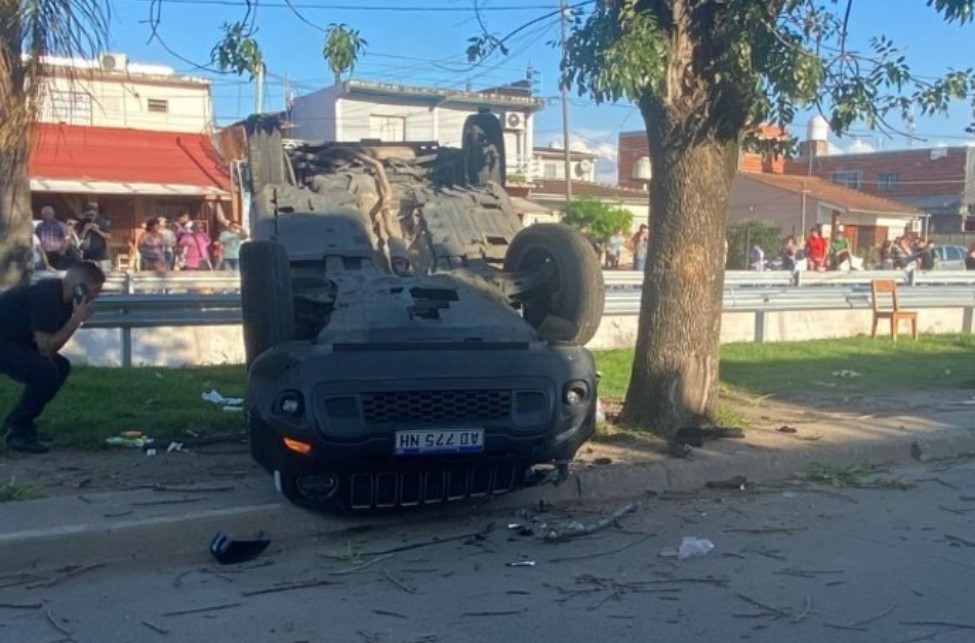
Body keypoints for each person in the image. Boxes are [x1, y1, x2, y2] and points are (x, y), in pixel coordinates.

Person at [0, 262, 105, 453]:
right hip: (5, 342)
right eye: (92, 291)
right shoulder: (47, 297)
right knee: (45, 372)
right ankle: (17, 430)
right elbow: (47, 348)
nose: (93, 298)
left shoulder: (63, 300)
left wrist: (74, 316)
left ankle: (22, 421)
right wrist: (76, 320)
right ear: (78, 286)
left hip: (15, 340)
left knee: (61, 366)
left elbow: (47, 344)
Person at [76, 203, 112, 272]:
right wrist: (85, 229)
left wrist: (97, 230)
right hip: (87, 254)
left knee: (103, 275)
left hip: (101, 254)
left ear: (96, 213)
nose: (90, 217)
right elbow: (79, 238)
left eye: (92, 215)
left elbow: (108, 236)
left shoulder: (102, 222)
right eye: (88, 215)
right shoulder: (83, 222)